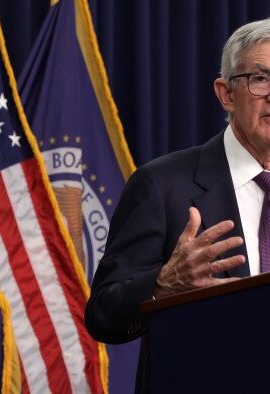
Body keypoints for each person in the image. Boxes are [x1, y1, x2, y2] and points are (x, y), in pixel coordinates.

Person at [85, 18, 270, 394]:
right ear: (226, 94)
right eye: (261, 78)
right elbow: (103, 314)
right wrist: (162, 286)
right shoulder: (161, 185)